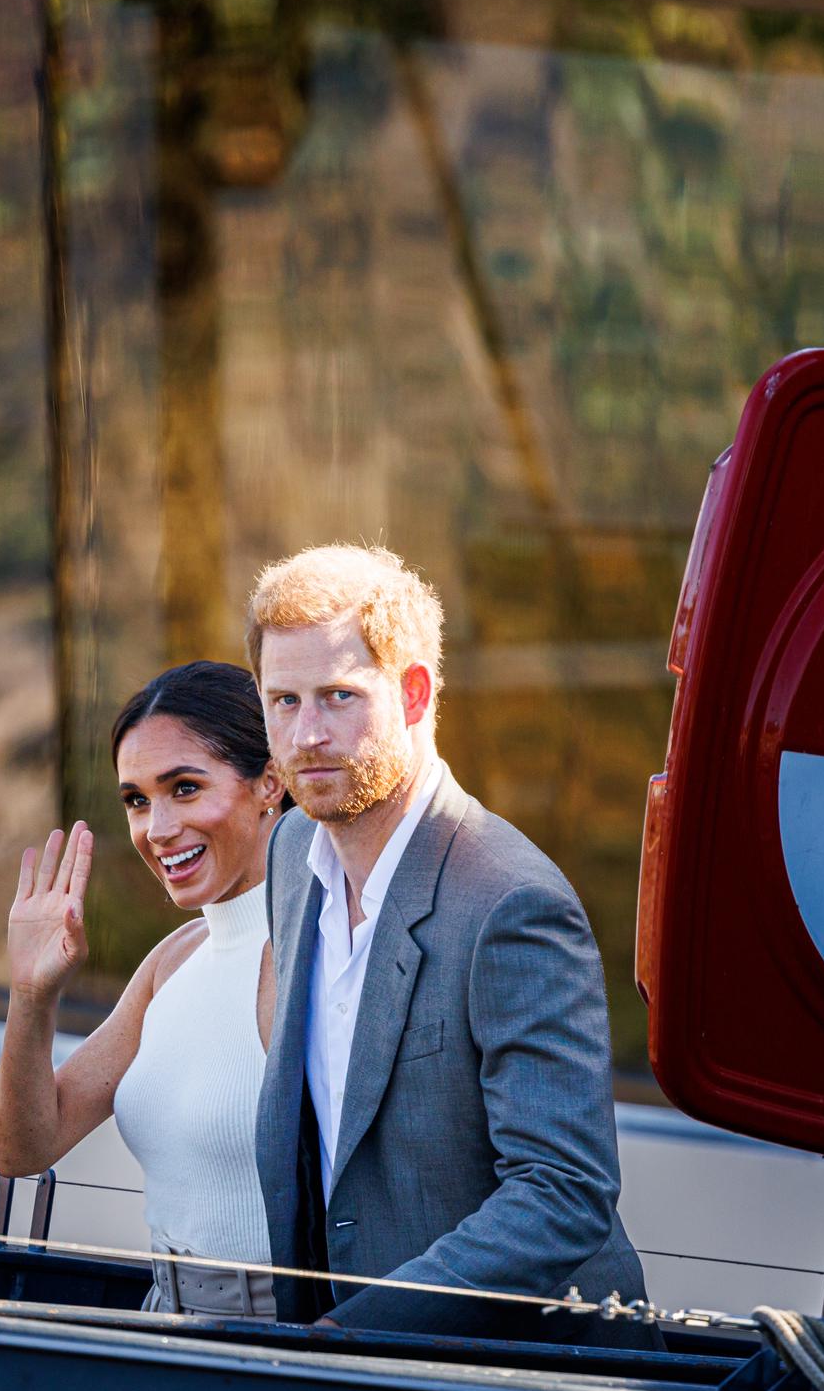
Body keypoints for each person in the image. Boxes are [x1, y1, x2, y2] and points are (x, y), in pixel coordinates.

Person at [248, 543, 654, 1346]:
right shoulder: (291, 852)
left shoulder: (513, 901)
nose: (307, 734)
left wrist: (353, 1331)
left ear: (415, 692)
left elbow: (564, 1193)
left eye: (338, 695)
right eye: (283, 700)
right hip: (361, 1385)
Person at [0, 661, 285, 1317]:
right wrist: (31, 995)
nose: (157, 829)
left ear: (271, 781)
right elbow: (26, 1146)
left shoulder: (318, 954)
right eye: (137, 799)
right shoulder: (173, 960)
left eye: (185, 787)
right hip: (158, 1318)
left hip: (272, 1343)